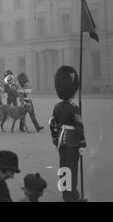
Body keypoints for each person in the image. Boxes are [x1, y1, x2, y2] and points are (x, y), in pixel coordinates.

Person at [49, 66, 87, 202]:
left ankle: (66, 195)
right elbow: (79, 128)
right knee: (72, 170)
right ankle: (73, 196)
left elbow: (52, 125)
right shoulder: (74, 108)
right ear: (73, 92)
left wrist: (55, 140)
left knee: (64, 168)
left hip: (61, 143)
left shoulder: (57, 107)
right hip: (72, 143)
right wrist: (83, 144)